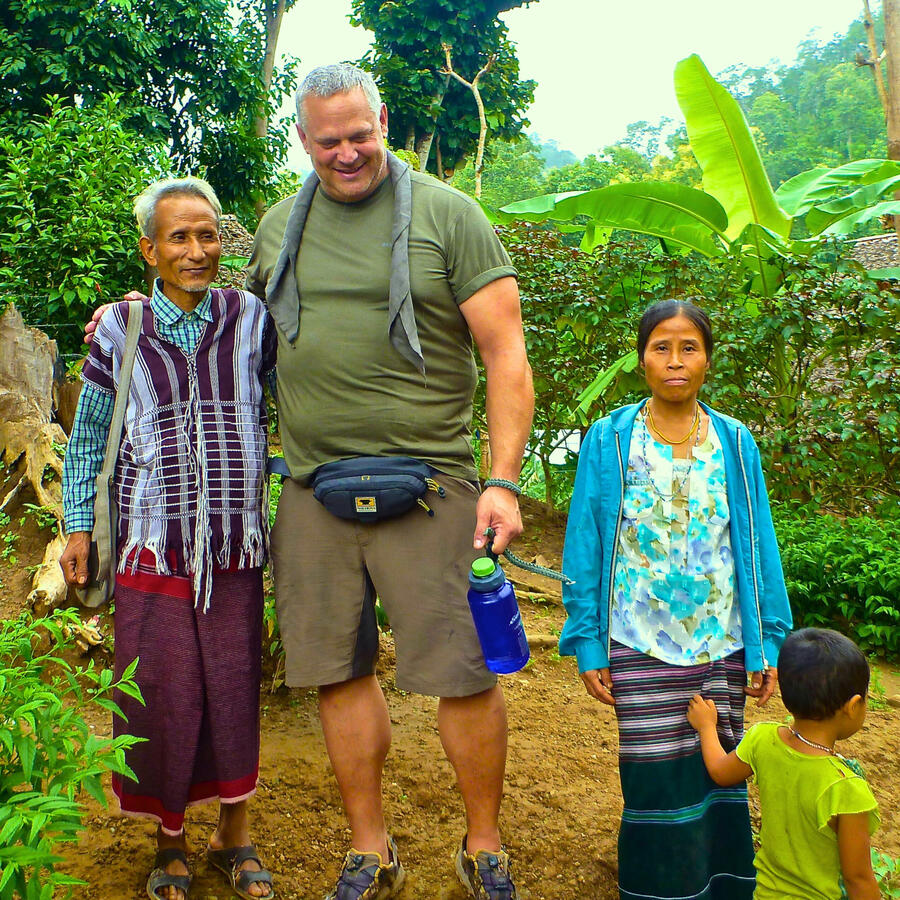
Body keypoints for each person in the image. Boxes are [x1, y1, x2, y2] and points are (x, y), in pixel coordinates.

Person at [245, 64, 533, 900]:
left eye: (359, 135)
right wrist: (134, 313)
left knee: (463, 671)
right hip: (311, 490)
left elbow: (505, 353)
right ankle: (370, 848)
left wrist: (503, 481)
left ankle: (484, 843)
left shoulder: (450, 215)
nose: (345, 154)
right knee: (338, 668)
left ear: (383, 122)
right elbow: (237, 333)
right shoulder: (275, 227)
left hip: (434, 487)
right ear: (303, 141)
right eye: (327, 141)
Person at [61, 178, 276, 900]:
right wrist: (77, 526)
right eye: (178, 237)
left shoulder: (251, 319)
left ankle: (234, 838)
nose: (196, 249)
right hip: (151, 545)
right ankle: (169, 843)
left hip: (233, 546)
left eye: (208, 235)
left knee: (235, 688)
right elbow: (89, 437)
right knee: (162, 694)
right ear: (149, 249)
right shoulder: (119, 330)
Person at [559, 299, 792, 900]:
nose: (675, 360)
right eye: (661, 347)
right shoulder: (610, 440)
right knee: (654, 781)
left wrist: (766, 643)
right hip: (636, 638)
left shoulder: (736, 444)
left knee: (720, 778)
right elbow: (585, 539)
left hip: (723, 638)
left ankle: (720, 888)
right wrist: (588, 641)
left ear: (708, 360)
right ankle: (657, 890)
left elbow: (757, 543)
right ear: (642, 359)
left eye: (689, 347)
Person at [687, 627, 880, 900]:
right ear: (853, 705)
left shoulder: (763, 739)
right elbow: (858, 879)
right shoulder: (846, 789)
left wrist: (706, 727)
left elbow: (720, 771)